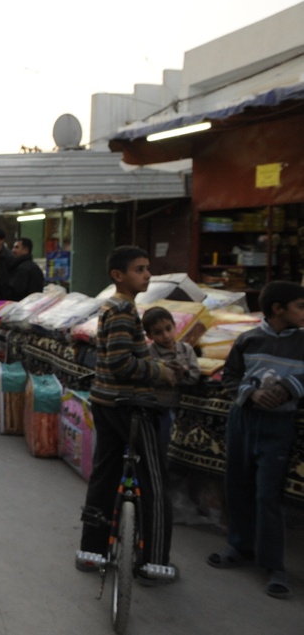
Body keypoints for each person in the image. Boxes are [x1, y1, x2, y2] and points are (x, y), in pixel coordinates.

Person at [76, 245, 180, 584]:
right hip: (129, 407)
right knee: (154, 483)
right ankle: (154, 562)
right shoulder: (122, 310)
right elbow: (122, 363)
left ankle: (92, 551)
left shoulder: (117, 307)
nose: (147, 274)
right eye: (140, 269)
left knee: (105, 477)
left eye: (148, 268)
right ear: (118, 276)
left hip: (107, 403)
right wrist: (159, 371)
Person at [207, 281, 304, 599]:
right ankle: (239, 545)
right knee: (238, 485)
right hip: (244, 422)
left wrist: (290, 386)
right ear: (278, 310)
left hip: (278, 425)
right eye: (300, 306)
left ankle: (273, 564)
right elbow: (230, 377)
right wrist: (252, 394)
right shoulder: (248, 340)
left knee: (268, 495)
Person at [141, 306, 200, 449]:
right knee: (161, 441)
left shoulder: (186, 349)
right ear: (149, 336)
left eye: (169, 328)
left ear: (175, 326)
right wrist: (167, 373)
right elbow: (150, 376)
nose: (166, 336)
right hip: (158, 408)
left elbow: (195, 375)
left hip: (180, 406)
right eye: (158, 332)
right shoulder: (150, 353)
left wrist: (184, 374)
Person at [7, 237, 45, 301]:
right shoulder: (32, 266)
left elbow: (16, 291)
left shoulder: (23, 269)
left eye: (17, 247)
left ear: (26, 250)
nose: (13, 250)